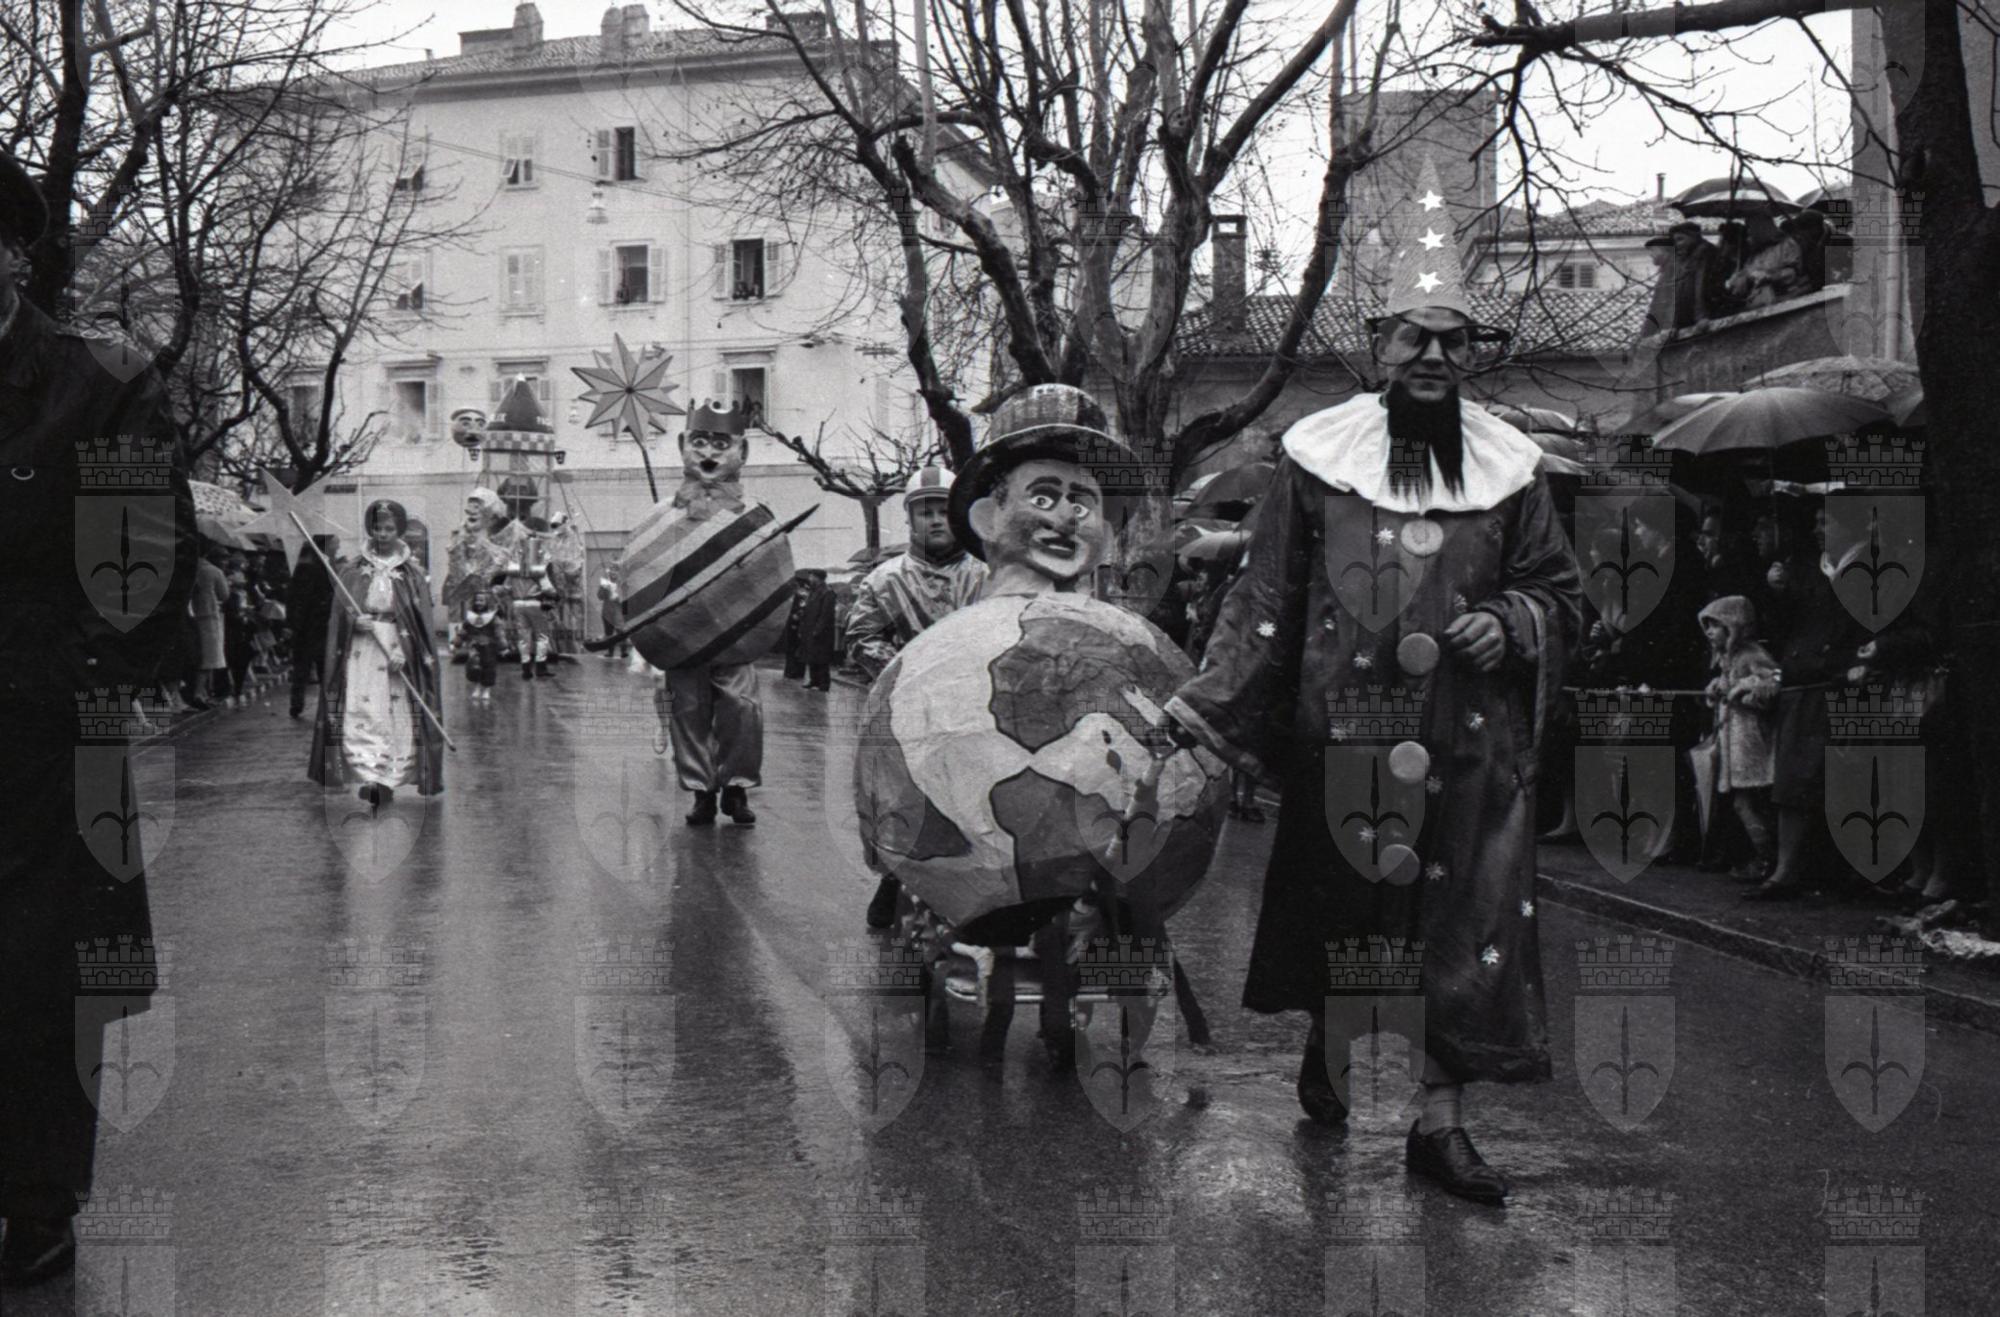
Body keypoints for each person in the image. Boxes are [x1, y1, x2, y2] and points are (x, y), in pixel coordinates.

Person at [1161, 170, 1582, 1205]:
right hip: (1343, 737)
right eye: (1412, 339)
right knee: (1343, 913)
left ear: (1470, 355)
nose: (1432, 357)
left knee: (1463, 931)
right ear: (1377, 346)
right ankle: (1332, 1042)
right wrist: (1205, 710)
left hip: (1471, 750)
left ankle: (1439, 1126)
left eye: (1451, 342)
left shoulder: (1513, 472)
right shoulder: (1315, 463)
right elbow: (1268, 594)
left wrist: (1513, 621)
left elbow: (1563, 593)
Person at [0, 146, 196, 1287]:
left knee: (39, 973)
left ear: (12, 253)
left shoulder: (100, 381)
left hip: (41, 727)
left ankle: (38, 1197)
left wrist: (70, 682)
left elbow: (143, 558)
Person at [845, 463, 991, 928]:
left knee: (972, 798)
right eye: (925, 512)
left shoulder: (988, 575)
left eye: (944, 511)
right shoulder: (883, 580)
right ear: (909, 519)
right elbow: (861, 637)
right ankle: (893, 877)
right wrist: (905, 672)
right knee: (899, 800)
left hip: (973, 710)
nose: (935, 520)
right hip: (903, 710)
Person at [655, 403, 766, 827]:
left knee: (743, 711)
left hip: (735, 635)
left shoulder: (755, 515)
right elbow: (648, 574)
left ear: (743, 451)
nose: (709, 453)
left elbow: (766, 575)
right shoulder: (663, 517)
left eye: (721, 444)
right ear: (682, 446)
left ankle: (736, 788)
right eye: (699, 442)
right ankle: (701, 792)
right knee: (688, 712)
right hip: (682, 636)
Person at [308, 500, 444, 808]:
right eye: (377, 528)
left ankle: (388, 778)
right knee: (364, 709)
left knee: (395, 712)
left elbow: (419, 621)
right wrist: (353, 621)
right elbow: (340, 612)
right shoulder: (353, 570)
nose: (382, 534)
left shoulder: (412, 574)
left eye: (389, 529)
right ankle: (370, 776)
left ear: (399, 531)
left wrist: (405, 652)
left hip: (397, 647)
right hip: (362, 649)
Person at [1699, 596, 1781, 883]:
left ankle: (1768, 858)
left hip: (1751, 740)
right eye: (1707, 626)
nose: (1710, 632)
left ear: (1733, 626)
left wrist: (1744, 690)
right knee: (1745, 803)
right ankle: (1766, 857)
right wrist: (1717, 689)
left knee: (1747, 803)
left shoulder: (1751, 654)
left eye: (1716, 625)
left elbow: (1772, 683)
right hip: (1735, 741)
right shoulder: (1728, 658)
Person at [288, 536, 338, 718]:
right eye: (335, 543)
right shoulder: (314, 568)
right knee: (313, 667)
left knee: (312, 668)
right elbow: (298, 598)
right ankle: (303, 704)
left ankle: (305, 704)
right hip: (313, 626)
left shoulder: (323, 566)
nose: (337, 547)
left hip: (314, 626)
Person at [188, 545, 229, 706]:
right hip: (209, 616)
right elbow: (224, 595)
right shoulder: (214, 571)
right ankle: (200, 692)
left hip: (192, 616)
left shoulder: (191, 569)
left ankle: (202, 691)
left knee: (198, 656)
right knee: (210, 657)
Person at [797, 569, 838, 692]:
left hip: (821, 632)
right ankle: (814, 680)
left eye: (811, 576)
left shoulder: (828, 592)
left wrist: (818, 629)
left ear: (817, 577)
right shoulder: (813, 591)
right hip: (810, 629)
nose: (809, 579)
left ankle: (824, 684)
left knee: (822, 658)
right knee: (811, 656)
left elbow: (826, 614)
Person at [461, 587, 504, 702]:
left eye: (481, 600)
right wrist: (459, 639)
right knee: (474, 667)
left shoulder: (492, 617)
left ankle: (487, 690)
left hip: (489, 646)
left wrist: (503, 645)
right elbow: (465, 629)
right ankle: (477, 687)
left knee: (488, 667)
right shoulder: (470, 617)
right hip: (474, 645)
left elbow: (499, 631)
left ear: (487, 602)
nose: (478, 603)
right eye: (477, 600)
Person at [596, 562, 629, 660]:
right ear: (609, 572)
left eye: (615, 570)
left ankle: (623, 652)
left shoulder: (622, 583)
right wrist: (604, 589)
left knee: (621, 631)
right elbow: (600, 596)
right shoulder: (605, 583)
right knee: (608, 632)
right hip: (607, 610)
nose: (613, 572)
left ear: (619, 572)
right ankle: (610, 652)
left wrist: (619, 597)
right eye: (611, 570)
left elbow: (627, 597)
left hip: (618, 609)